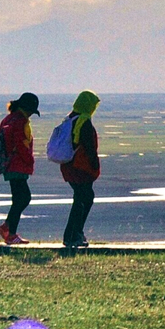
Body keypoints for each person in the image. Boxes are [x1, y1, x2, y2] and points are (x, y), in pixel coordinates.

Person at [0, 92, 40, 245]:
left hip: (10, 164)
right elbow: (21, 144)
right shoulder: (20, 121)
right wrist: (30, 160)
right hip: (18, 165)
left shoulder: (8, 119)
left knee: (19, 198)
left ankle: (8, 228)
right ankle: (10, 233)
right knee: (23, 197)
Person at [60, 90, 100, 249]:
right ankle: (72, 235)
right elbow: (89, 146)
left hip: (69, 165)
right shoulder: (84, 121)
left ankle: (75, 233)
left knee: (83, 197)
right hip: (80, 167)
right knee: (83, 198)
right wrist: (94, 164)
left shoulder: (70, 119)